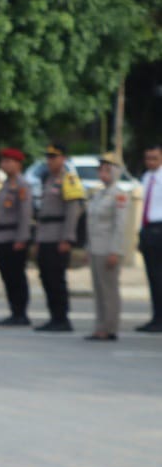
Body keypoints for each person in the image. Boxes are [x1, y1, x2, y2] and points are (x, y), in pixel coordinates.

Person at [33, 144, 86, 332]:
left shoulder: (68, 179)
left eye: (54, 157)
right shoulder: (48, 179)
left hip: (58, 237)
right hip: (46, 236)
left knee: (57, 279)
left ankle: (62, 318)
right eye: (48, 157)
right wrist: (38, 240)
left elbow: (73, 210)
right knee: (46, 277)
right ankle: (54, 316)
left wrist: (68, 238)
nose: (50, 161)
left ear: (63, 158)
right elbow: (42, 214)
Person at [83, 152, 131, 341]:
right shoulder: (98, 194)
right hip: (96, 248)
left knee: (109, 290)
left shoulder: (119, 195)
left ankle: (110, 327)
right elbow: (91, 223)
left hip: (108, 249)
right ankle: (99, 326)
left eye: (107, 170)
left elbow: (120, 227)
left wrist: (115, 251)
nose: (102, 173)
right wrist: (88, 247)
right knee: (98, 290)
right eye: (100, 170)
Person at [0, 146, 33, 325]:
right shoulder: (6, 185)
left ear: (18, 164)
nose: (4, 164)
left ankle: (21, 313)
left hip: (14, 238)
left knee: (17, 276)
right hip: (3, 237)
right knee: (7, 275)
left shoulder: (22, 185)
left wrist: (21, 238)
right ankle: (14, 311)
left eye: (8, 161)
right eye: (3, 161)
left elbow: (25, 214)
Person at [136, 144, 162, 332]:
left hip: (160, 228)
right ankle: (156, 317)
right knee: (153, 277)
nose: (150, 161)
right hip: (147, 229)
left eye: (154, 158)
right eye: (148, 158)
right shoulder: (146, 178)